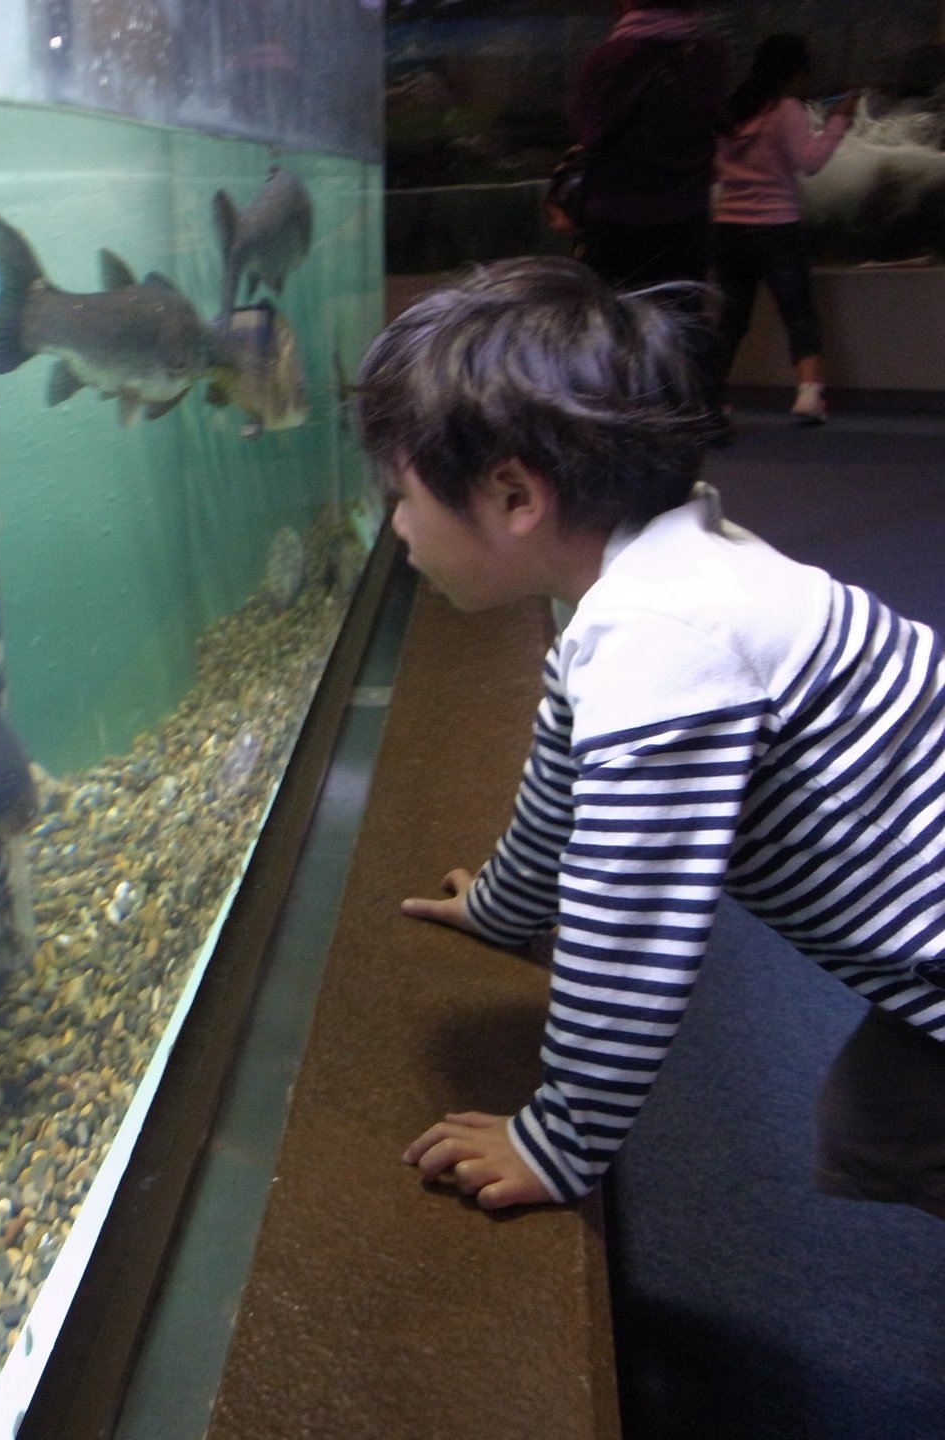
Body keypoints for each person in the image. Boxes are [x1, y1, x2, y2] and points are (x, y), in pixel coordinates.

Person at [355, 256, 945, 1217]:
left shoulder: (666, 645)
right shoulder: (659, 581)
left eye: (404, 494)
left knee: (882, 1128)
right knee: (878, 1121)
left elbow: (629, 921)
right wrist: (506, 908)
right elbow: (563, 777)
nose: (398, 525)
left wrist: (559, 1135)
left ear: (513, 495)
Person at [714, 34, 857, 427]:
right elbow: (808, 162)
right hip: (776, 226)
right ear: (794, 74)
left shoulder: (733, 110)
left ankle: (710, 396)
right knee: (798, 314)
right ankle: (809, 395)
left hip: (728, 226)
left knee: (732, 318)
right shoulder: (787, 109)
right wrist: (838, 122)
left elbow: (715, 167)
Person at [570, 2, 731, 293]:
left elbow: (588, 133)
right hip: (686, 215)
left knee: (614, 317)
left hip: (614, 217)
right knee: (682, 314)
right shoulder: (711, 52)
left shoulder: (606, 58)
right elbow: (717, 118)